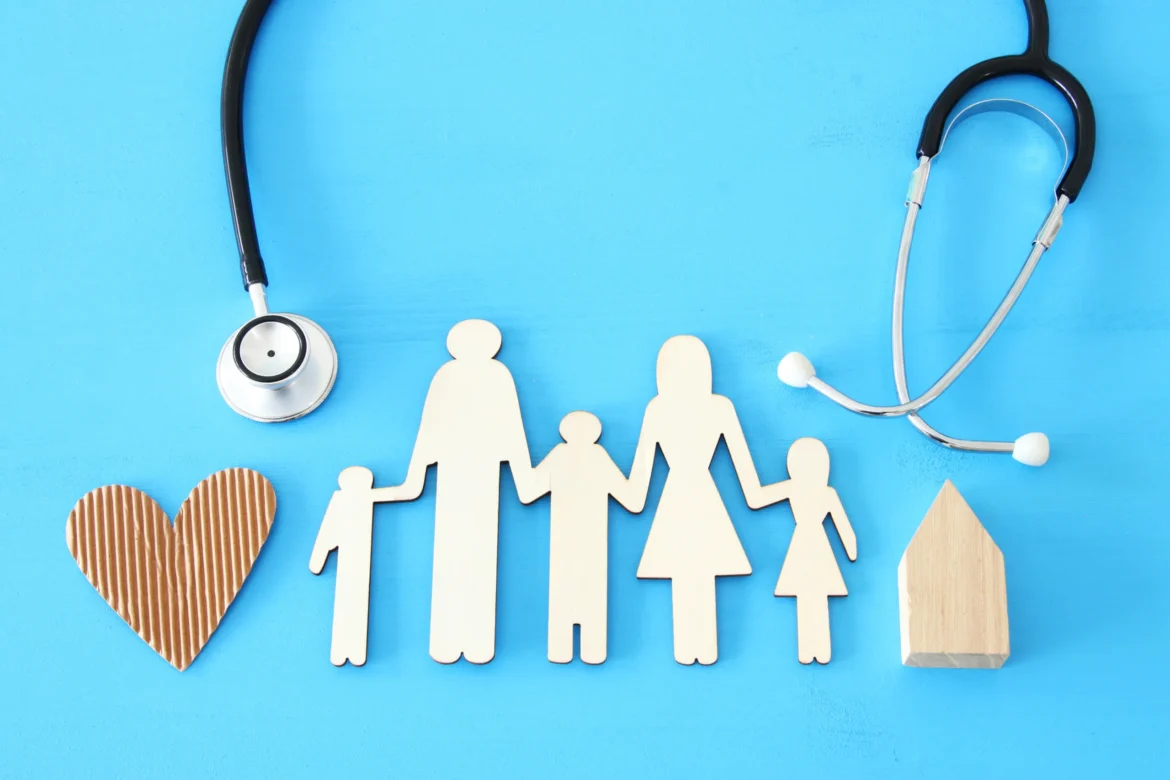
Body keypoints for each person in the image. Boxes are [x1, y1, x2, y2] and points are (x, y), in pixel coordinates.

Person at [379, 319, 535, 664]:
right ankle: (454, 640)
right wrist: (415, 478)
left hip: (473, 468)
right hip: (466, 467)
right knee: (462, 550)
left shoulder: (476, 376)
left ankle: (469, 640)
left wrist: (416, 476)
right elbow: (434, 427)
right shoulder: (477, 376)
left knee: (471, 549)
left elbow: (509, 425)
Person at [627, 335, 767, 665]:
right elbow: (752, 489)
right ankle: (701, 649)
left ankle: (694, 649)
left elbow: (635, 492)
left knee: (686, 569)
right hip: (703, 501)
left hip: (677, 501)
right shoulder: (718, 407)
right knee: (698, 569)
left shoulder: (659, 408)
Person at [526, 411, 643, 664]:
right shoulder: (597, 457)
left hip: (566, 537)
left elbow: (528, 491)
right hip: (591, 537)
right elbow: (631, 499)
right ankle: (591, 649)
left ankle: (562, 649)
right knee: (589, 589)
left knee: (565, 589)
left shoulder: (560, 456)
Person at [757, 438, 857, 664]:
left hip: (806, 544)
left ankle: (814, 650)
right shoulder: (824, 492)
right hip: (816, 545)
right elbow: (847, 532)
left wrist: (851, 548)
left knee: (809, 593)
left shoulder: (797, 488)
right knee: (813, 593)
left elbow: (757, 497)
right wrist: (851, 549)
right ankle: (816, 650)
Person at [310, 466, 402, 667]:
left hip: (357, 557)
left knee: (353, 601)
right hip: (352, 557)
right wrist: (318, 559)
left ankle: (350, 652)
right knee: (351, 601)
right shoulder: (348, 499)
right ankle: (345, 652)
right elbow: (327, 532)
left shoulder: (363, 498)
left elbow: (400, 493)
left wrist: (318, 559)